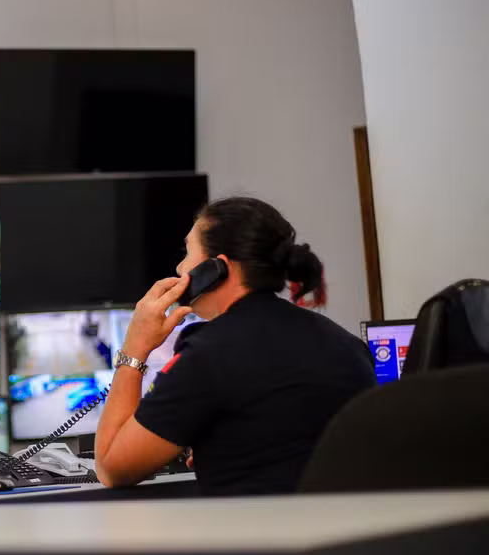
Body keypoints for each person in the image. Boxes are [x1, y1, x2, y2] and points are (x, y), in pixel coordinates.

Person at [95, 197, 375, 496]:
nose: (179, 267)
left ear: (218, 268)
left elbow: (112, 467)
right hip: (343, 523)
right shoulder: (348, 345)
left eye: (187, 253)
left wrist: (135, 348)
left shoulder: (208, 353)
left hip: (257, 525)